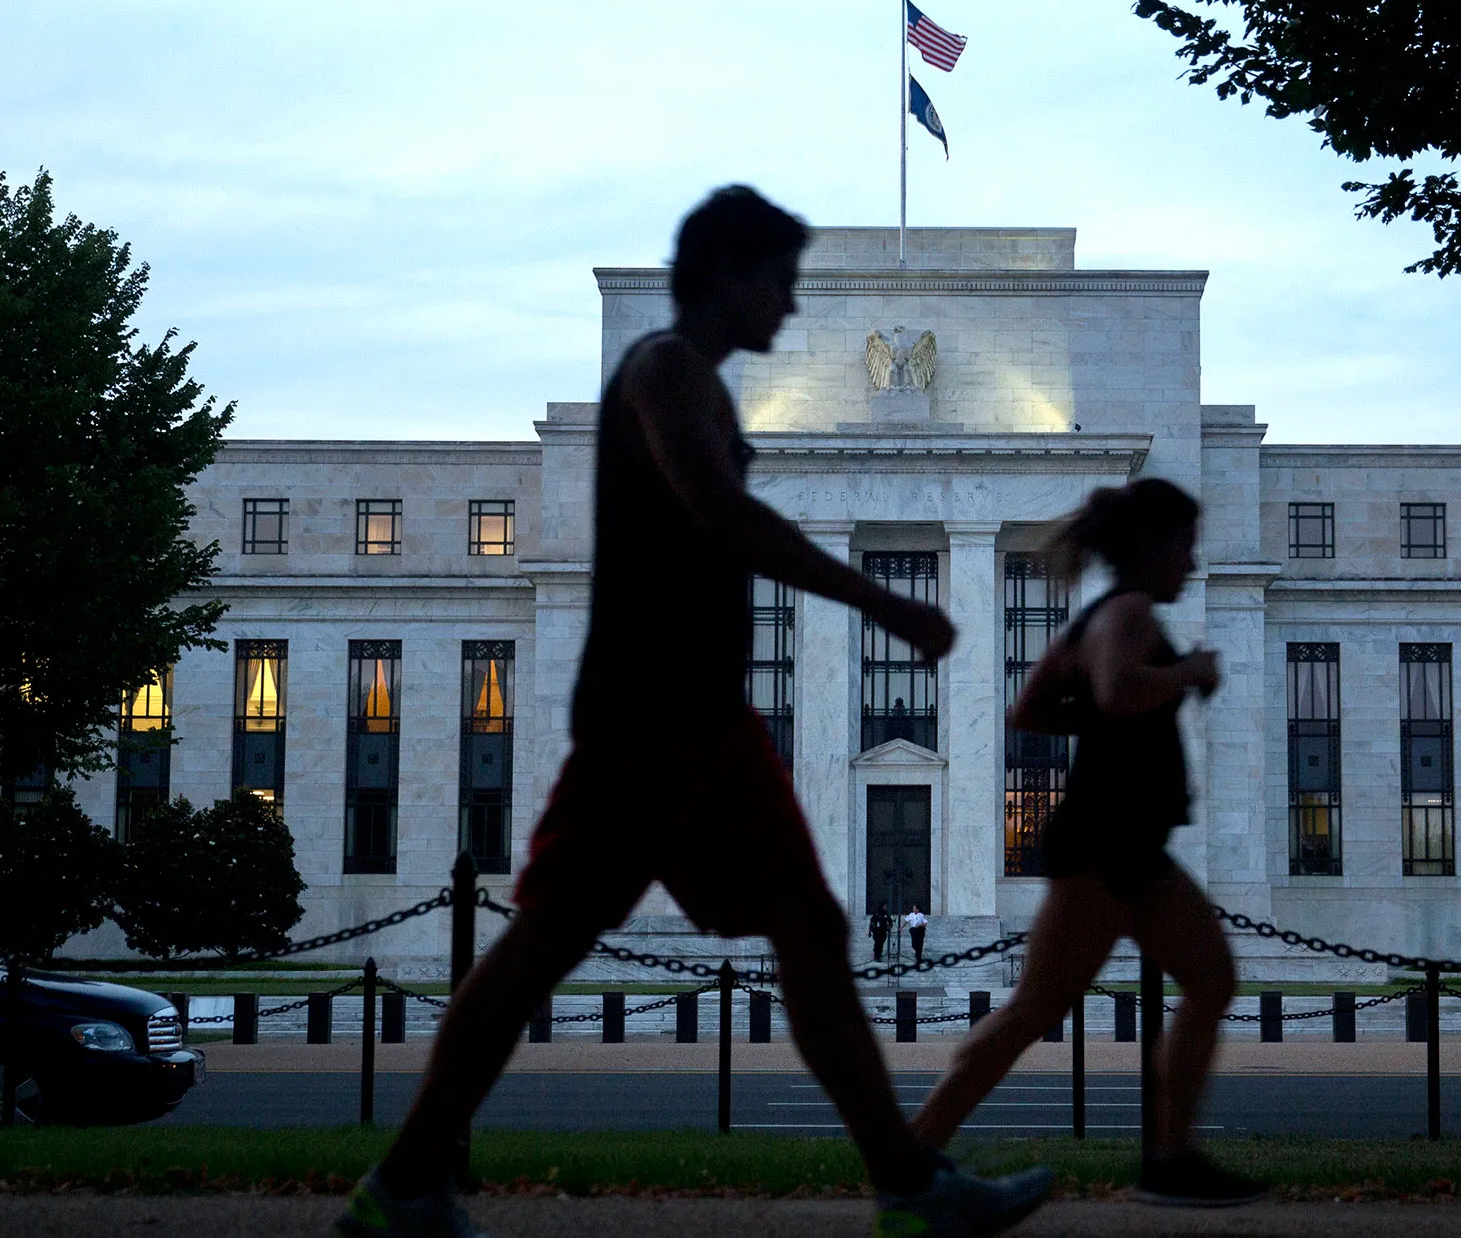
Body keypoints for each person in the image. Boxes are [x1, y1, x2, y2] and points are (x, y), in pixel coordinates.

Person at [335, 186, 1053, 1238]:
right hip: (649, 710)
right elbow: (716, 506)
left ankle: (906, 1181)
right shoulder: (662, 370)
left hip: (705, 718)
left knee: (804, 931)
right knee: (545, 943)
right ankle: (402, 1181)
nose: (790, 303)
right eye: (778, 278)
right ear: (725, 274)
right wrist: (879, 596)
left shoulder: (701, 387)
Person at [909, 479, 1266, 1208]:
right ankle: (911, 1162)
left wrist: (1116, 712)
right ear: (1154, 547)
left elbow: (1032, 706)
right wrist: (1188, 674)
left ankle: (1170, 1159)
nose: (1192, 563)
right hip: (1109, 845)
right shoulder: (1130, 612)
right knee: (1034, 1011)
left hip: (1129, 845)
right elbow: (1116, 692)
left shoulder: (1092, 621)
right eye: (1185, 546)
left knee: (1207, 980)